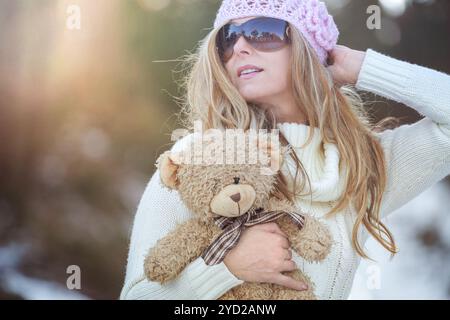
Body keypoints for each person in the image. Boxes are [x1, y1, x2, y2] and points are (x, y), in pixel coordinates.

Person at [119, 0, 450, 299]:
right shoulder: (199, 160)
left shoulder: (367, 167)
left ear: (306, 47)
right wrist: (225, 268)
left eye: (262, 31)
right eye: (227, 38)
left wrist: (363, 67)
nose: (240, 48)